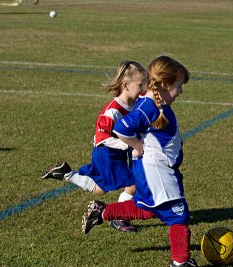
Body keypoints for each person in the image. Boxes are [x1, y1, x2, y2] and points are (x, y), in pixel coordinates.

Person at [81, 55, 197, 267]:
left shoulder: (154, 103)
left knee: (146, 209)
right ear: (163, 85)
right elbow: (121, 128)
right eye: (178, 86)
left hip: (157, 171)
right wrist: (137, 146)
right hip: (157, 173)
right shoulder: (148, 107)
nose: (180, 92)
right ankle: (181, 262)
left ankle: (103, 212)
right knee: (178, 214)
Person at [42, 60, 146, 232]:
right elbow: (101, 138)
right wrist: (128, 145)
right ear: (126, 85)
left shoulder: (133, 104)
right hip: (106, 152)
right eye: (140, 85)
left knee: (108, 187)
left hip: (118, 152)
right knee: (122, 184)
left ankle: (66, 173)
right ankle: (119, 217)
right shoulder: (112, 111)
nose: (143, 89)